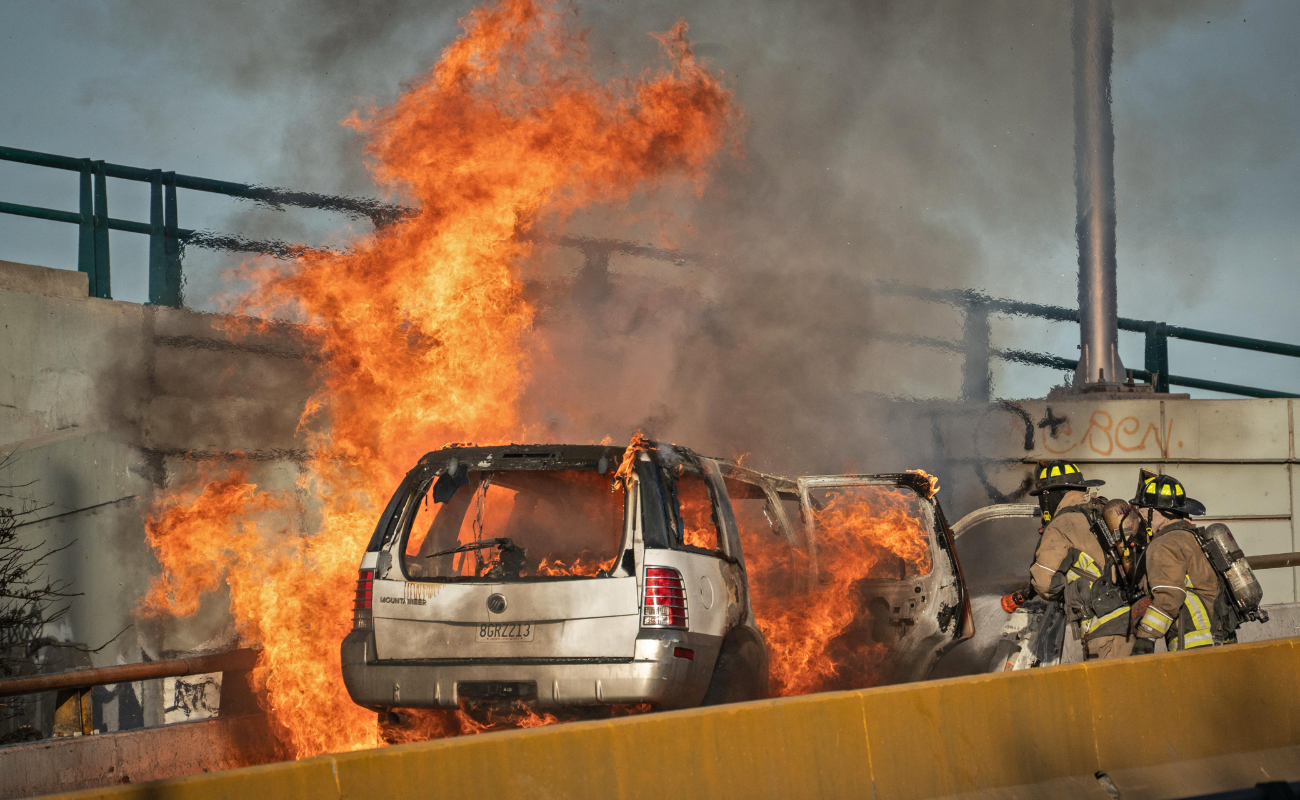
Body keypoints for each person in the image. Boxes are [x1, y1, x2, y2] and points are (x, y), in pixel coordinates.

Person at [1024, 460, 1134, 660]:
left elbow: (1045, 584)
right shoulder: (1102, 510)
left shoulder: (1061, 523)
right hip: (1134, 624)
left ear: (1050, 496)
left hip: (1101, 632)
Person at [1130, 474, 1219, 653]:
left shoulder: (1164, 543)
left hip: (1193, 639)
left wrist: (1146, 637)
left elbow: (1169, 594)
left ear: (1155, 511)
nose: (1141, 517)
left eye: (1143, 510)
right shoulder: (1192, 536)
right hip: (1219, 632)